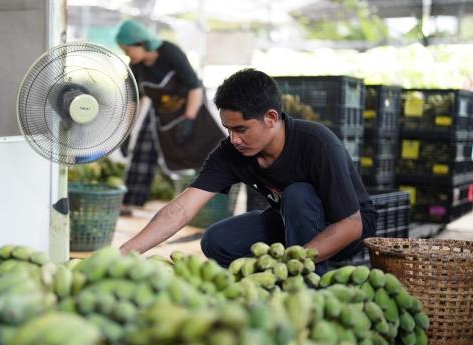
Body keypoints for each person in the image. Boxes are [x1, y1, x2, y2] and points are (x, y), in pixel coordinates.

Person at [120, 68, 377, 275]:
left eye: (241, 129)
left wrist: (290, 264)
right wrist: (123, 253)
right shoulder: (230, 153)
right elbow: (181, 209)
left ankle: (309, 288)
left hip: (343, 230)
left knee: (298, 194)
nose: (234, 139)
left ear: (271, 118)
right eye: (228, 129)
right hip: (289, 220)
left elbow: (351, 225)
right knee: (216, 239)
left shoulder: (317, 144)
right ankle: (263, 279)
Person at [115, 19, 225, 214]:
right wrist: (126, 133)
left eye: (128, 50)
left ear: (141, 43)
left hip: (189, 107)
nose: (127, 55)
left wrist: (189, 119)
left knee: (205, 150)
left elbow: (194, 86)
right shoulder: (136, 67)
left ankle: (210, 201)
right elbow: (133, 102)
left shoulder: (169, 52)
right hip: (160, 112)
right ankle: (130, 201)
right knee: (142, 152)